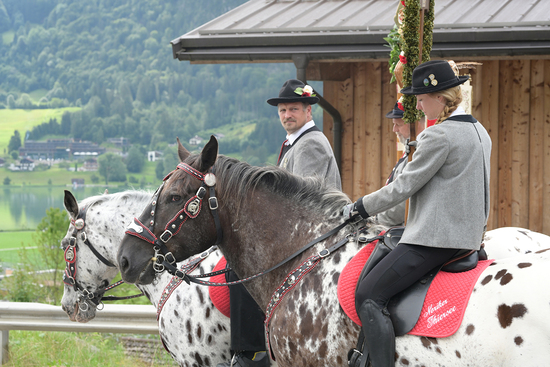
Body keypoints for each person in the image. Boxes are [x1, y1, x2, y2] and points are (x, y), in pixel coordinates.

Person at [343, 60, 491, 367]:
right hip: (469, 238)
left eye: (422, 100)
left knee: (369, 296)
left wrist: (359, 207)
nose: (420, 107)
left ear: (440, 98)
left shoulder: (439, 136)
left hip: (434, 241)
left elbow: (403, 186)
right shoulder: (480, 130)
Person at [218, 79, 342, 367]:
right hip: (305, 231)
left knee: (241, 271)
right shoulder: (297, 142)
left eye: (294, 109)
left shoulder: (310, 144)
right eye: (283, 110)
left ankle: (253, 354)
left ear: (309, 111)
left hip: (312, 235)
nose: (287, 115)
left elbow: (300, 202)